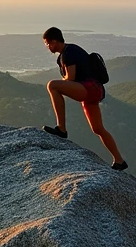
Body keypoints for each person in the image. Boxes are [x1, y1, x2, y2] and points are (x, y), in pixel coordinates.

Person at [40, 27, 127, 171]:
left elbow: (71, 78)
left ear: (54, 42)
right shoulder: (67, 52)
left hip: (90, 88)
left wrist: (63, 81)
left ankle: (61, 128)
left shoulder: (68, 53)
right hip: (93, 90)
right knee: (98, 128)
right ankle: (119, 161)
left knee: (52, 86)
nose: (47, 47)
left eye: (47, 44)